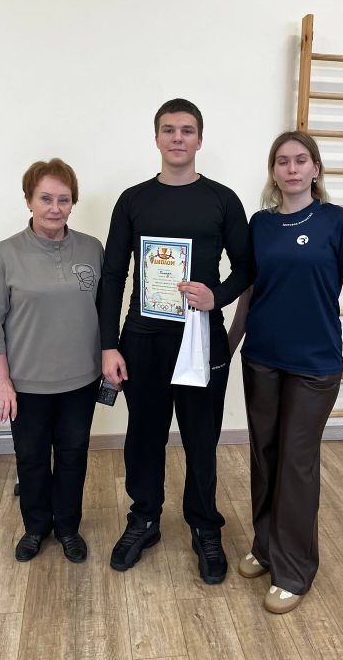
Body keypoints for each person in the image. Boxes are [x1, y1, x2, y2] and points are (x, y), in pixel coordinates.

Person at [100, 98, 250, 584]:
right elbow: (112, 276)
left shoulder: (222, 200)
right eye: (169, 130)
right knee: (143, 436)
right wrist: (108, 345)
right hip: (142, 341)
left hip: (200, 340)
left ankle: (205, 526)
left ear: (200, 140)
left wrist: (216, 296)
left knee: (201, 439)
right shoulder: (133, 200)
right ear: (157, 138)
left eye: (187, 130)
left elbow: (247, 268)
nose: (178, 138)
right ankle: (143, 519)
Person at [228, 131, 343, 613]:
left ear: (315, 169)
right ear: (273, 171)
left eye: (300, 160)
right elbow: (249, 292)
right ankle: (266, 547)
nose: (291, 168)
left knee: (296, 463)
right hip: (262, 358)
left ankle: (294, 571)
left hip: (315, 365)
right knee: (265, 456)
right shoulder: (260, 224)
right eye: (282, 161)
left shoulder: (338, 222)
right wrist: (230, 344)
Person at [0, 158, 104, 564]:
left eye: (64, 199)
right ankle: (35, 527)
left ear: (73, 203)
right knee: (30, 458)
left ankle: (67, 527)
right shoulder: (4, 255)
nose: (55, 208)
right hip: (26, 384)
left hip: (81, 380)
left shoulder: (92, 249)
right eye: (46, 198)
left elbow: (105, 310)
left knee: (73, 455)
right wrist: (1, 382)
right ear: (29, 200)